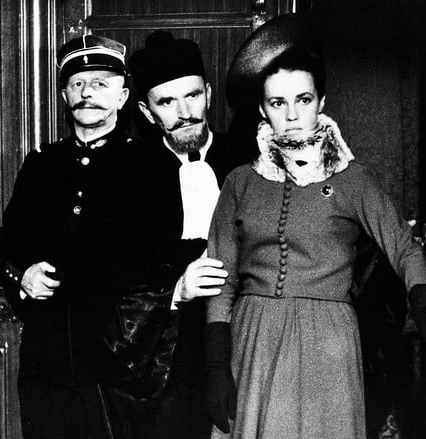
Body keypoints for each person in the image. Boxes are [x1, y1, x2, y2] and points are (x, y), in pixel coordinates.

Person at [203, 15, 426, 439]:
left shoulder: (352, 179)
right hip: (253, 338)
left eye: (303, 99)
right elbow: (221, 279)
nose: (292, 114)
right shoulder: (240, 182)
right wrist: (218, 366)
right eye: (277, 103)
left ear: (322, 102)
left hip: (326, 344)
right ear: (262, 109)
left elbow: (403, 247)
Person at [0, 35, 143, 439]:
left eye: (100, 83)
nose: (87, 92)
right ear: (64, 95)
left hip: (119, 366)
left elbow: (159, 260)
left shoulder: (148, 166)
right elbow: (8, 242)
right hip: (47, 363)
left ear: (122, 96)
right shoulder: (41, 165)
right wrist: (23, 274)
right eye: (77, 83)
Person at [125, 31, 253, 439]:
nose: (184, 113)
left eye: (193, 96)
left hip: (247, 336)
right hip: (168, 352)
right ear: (147, 112)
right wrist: (175, 290)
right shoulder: (128, 177)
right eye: (166, 102)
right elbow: (116, 275)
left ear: (209, 95)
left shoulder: (250, 161)